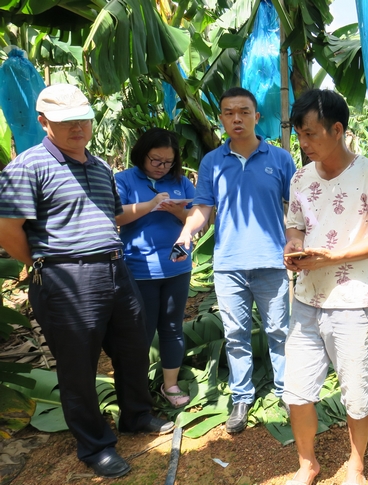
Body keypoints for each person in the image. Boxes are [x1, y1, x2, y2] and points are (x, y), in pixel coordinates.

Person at [0, 84, 173, 479]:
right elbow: (7, 230)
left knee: (132, 349)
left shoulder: (97, 166)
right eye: (66, 121)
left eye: (83, 118)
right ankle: (95, 445)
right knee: (77, 367)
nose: (78, 127)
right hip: (66, 278)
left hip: (115, 269)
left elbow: (109, 215)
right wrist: (44, 263)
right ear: (44, 122)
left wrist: (150, 205)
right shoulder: (28, 166)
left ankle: (137, 415)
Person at [282, 89, 368, 485]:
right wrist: (294, 246)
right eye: (300, 134)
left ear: (338, 129)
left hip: (352, 300)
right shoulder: (300, 177)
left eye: (311, 134)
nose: (304, 142)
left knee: (356, 391)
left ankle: (356, 465)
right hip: (306, 298)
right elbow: (295, 224)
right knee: (296, 391)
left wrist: (333, 257)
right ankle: (307, 464)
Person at [175, 87, 296, 433]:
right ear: (222, 119)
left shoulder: (280, 159)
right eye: (229, 113)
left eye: (244, 112)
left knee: (279, 330)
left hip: (272, 262)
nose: (237, 118)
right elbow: (203, 208)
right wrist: (189, 229)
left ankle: (287, 391)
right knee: (236, 333)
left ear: (257, 117)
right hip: (229, 265)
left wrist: (298, 241)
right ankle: (241, 397)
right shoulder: (213, 161)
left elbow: (298, 208)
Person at [115, 128, 195, 408]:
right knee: (142, 331)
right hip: (140, 270)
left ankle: (169, 386)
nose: (162, 167)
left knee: (172, 328)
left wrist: (176, 209)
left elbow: (198, 218)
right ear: (142, 154)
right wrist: (150, 205)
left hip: (177, 266)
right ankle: (136, 393)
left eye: (168, 162)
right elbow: (117, 216)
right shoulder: (124, 179)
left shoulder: (181, 181)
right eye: (155, 161)